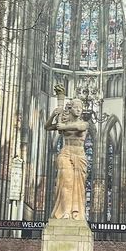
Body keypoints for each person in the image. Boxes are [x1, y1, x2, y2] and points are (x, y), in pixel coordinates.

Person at [45, 85, 88, 220]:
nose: (78, 110)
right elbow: (47, 127)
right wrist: (54, 114)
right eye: (76, 107)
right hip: (65, 152)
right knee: (66, 182)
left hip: (79, 155)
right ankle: (65, 212)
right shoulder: (63, 121)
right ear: (71, 109)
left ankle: (76, 212)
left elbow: (78, 127)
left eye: (80, 108)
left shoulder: (83, 123)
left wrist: (63, 126)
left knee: (78, 187)